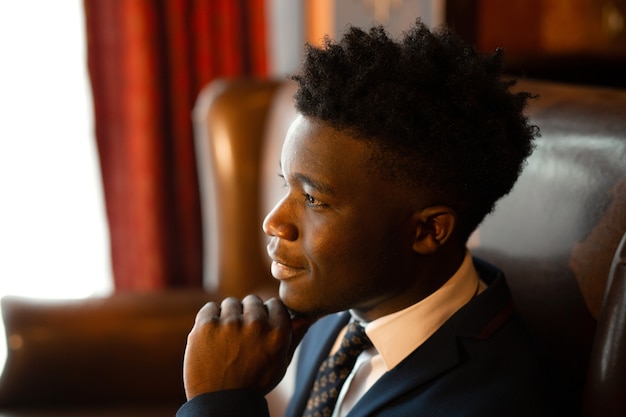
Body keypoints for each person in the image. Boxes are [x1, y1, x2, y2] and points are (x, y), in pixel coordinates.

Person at [177, 19, 559, 417]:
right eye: (284, 184)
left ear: (428, 230)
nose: (274, 222)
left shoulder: (489, 402)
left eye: (312, 199)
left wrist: (219, 403)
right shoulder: (342, 309)